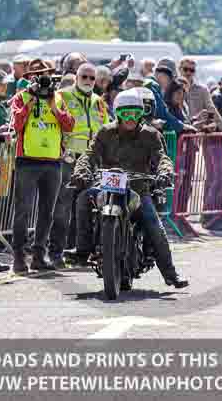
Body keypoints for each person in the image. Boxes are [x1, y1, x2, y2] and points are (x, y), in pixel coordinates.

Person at [70, 90, 188, 288]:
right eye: (126, 114)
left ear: (142, 114)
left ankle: (170, 274)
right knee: (82, 198)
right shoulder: (105, 132)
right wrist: (81, 171)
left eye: (135, 113)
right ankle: (82, 250)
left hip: (138, 191)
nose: (130, 119)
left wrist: (165, 173)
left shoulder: (151, 134)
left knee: (154, 226)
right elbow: (89, 155)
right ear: (117, 114)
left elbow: (162, 158)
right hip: (106, 187)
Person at [10, 63, 75, 272]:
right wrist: (32, 100)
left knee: (47, 212)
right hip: (27, 160)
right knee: (23, 211)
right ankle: (19, 256)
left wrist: (54, 107)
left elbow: (69, 125)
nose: (42, 80)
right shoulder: (21, 97)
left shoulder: (58, 98)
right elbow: (17, 124)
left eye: (45, 75)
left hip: (52, 162)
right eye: (37, 76)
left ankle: (39, 254)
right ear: (30, 78)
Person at [52, 63, 109, 268]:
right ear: (76, 77)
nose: (87, 81)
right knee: (63, 206)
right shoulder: (63, 96)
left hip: (91, 160)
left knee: (86, 206)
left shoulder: (98, 102)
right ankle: (56, 253)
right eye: (84, 76)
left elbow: (107, 128)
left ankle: (80, 251)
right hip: (69, 158)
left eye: (91, 78)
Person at [179, 57, 222, 132]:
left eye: (192, 70)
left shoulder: (202, 89)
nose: (188, 73)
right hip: (180, 130)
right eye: (185, 69)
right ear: (179, 69)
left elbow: (212, 110)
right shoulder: (173, 87)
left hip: (197, 134)